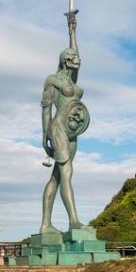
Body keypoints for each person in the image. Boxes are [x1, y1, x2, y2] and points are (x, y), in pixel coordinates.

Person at [40, 12, 89, 233]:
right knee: (66, 172)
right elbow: (45, 108)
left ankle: (45, 225)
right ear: (65, 60)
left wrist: (72, 31)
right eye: (73, 56)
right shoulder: (53, 80)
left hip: (72, 133)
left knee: (57, 177)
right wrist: (44, 137)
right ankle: (74, 222)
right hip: (58, 128)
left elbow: (76, 51)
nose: (77, 58)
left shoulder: (73, 80)